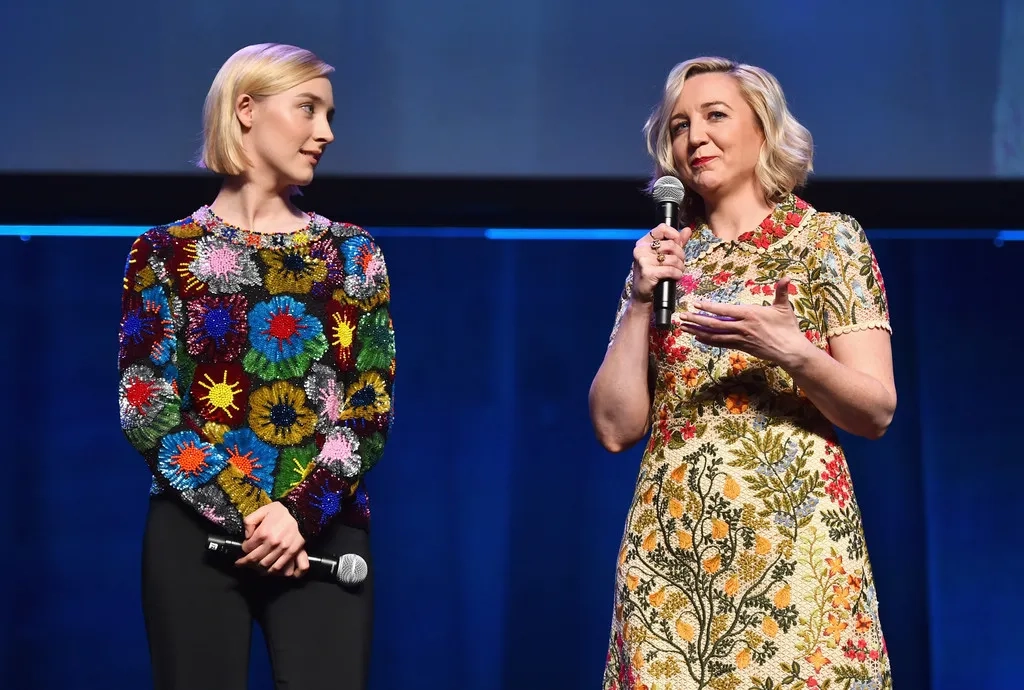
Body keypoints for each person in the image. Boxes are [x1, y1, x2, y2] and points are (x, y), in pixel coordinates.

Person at [589, 56, 896, 689]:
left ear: (765, 129)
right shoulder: (663, 260)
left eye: (715, 116)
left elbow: (876, 411)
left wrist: (793, 352)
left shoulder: (827, 240)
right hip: (671, 556)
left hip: (796, 551)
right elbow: (615, 428)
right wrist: (641, 301)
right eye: (679, 125)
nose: (695, 136)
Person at [117, 43, 395, 690]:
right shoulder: (163, 252)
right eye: (308, 108)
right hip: (194, 537)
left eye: (329, 113)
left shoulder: (352, 253)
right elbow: (145, 407)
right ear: (246, 109)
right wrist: (249, 510)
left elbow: (370, 407)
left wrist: (297, 515)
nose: (326, 131)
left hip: (322, 533)